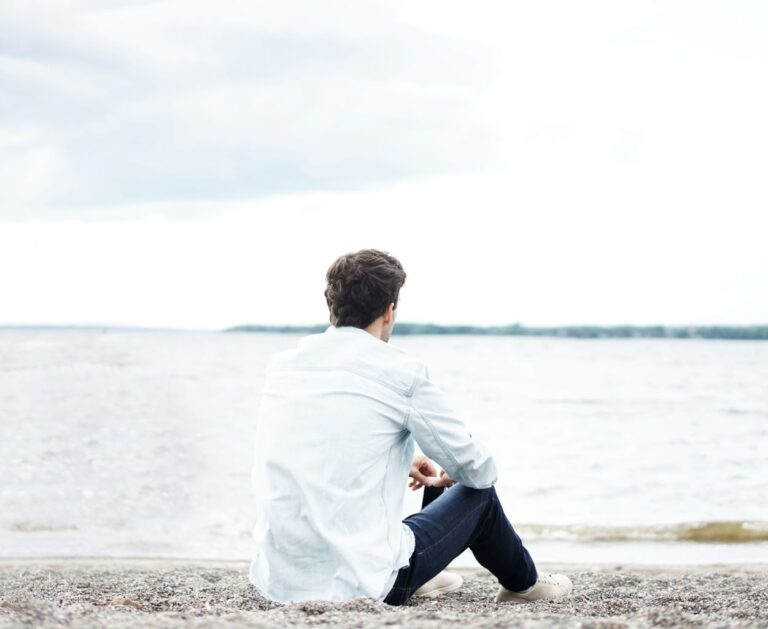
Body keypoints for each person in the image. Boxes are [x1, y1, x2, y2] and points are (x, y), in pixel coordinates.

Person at [249, 248, 573, 605]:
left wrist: (402, 458)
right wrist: (455, 471)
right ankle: (524, 586)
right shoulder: (400, 372)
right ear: (389, 311)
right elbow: (479, 470)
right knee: (479, 496)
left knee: (439, 477)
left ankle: (426, 573)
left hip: (280, 580)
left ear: (332, 306)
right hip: (366, 584)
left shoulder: (283, 367)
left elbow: (315, 446)